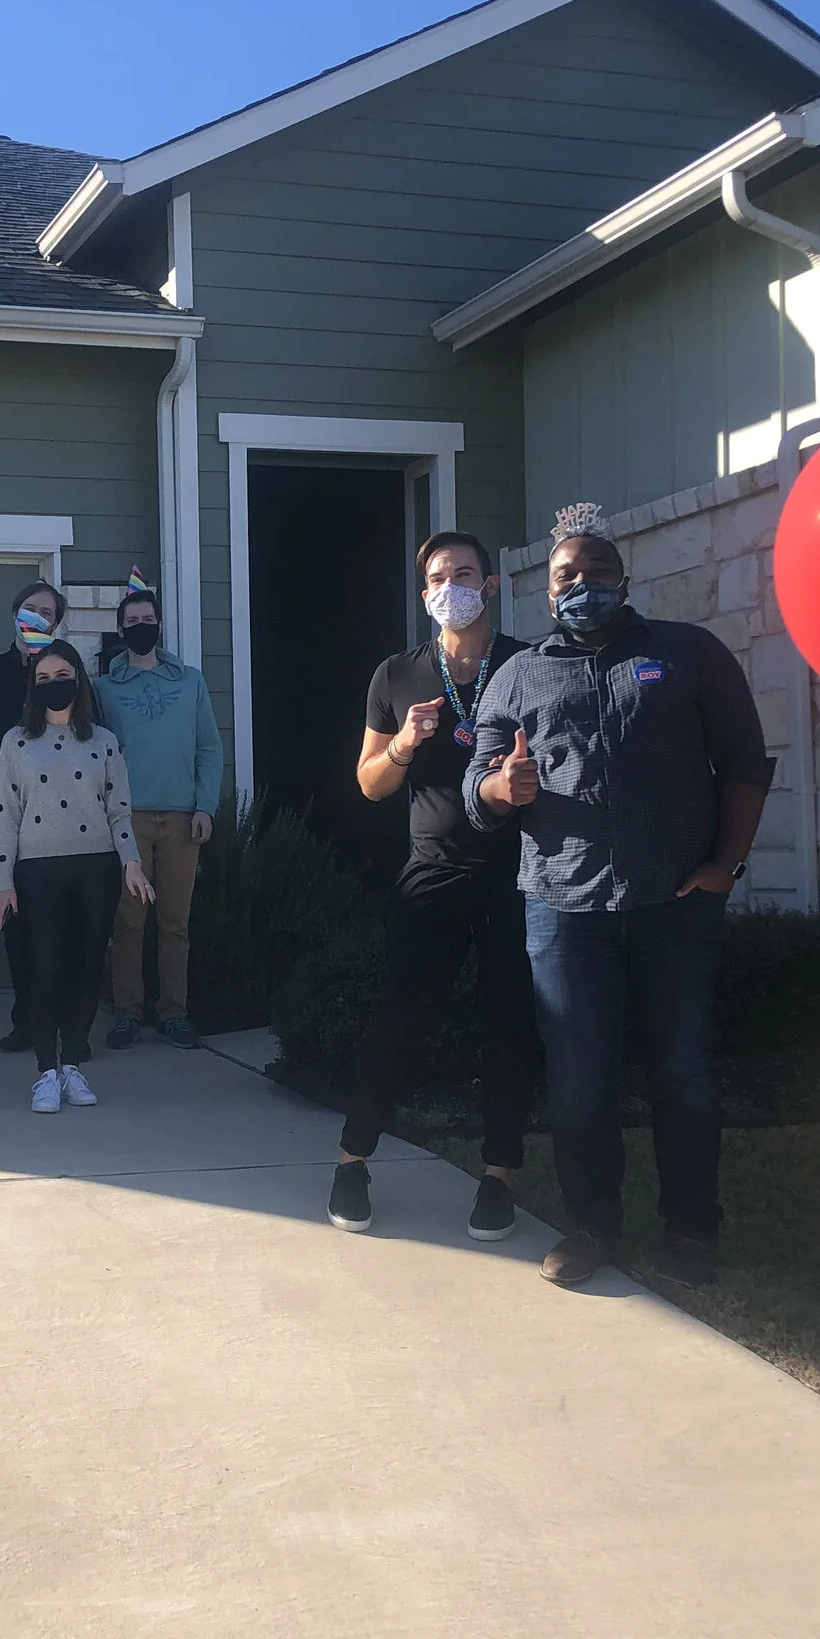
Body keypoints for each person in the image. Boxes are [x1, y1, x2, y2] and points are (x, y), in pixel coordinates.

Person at [467, 502, 773, 1287]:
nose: (583, 584)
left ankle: (692, 1228)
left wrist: (725, 866)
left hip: (674, 902)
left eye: (597, 570)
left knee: (681, 1069)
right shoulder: (517, 673)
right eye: (567, 574)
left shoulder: (687, 653)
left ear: (624, 579)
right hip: (563, 911)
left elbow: (743, 760)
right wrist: (504, 785)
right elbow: (477, 786)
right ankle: (593, 1226)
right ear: (547, 591)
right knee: (579, 1077)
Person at [327, 531, 538, 1243]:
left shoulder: (527, 665)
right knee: (402, 1016)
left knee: (509, 1025)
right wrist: (402, 747)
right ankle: (353, 1161)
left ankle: (498, 1178)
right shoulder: (397, 674)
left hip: (518, 873)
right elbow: (367, 782)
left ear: (492, 583)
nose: (453, 585)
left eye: (466, 572)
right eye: (439, 577)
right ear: (425, 596)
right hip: (432, 869)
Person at [0, 639, 153, 1112]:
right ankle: (45, 1069)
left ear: (78, 681)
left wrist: (132, 862)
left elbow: (119, 811)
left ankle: (73, 1065)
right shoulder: (16, 741)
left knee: (85, 965)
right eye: (42, 679)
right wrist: (4, 882)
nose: (52, 685)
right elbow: (6, 815)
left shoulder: (102, 741)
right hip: (38, 868)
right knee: (46, 967)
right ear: (32, 687)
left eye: (61, 676)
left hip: (94, 865)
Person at [99, 585, 223, 1051]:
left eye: (146, 619)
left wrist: (205, 806)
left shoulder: (189, 681)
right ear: (120, 630)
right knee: (129, 922)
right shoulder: (104, 688)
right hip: (126, 820)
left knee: (175, 922)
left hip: (180, 819)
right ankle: (127, 1012)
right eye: (131, 623)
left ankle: (175, 1013)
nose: (140, 628)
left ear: (159, 623)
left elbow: (209, 747)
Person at [0, 580, 69, 1055]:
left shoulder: (66, 672)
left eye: (47, 612)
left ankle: (66, 1022)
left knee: (61, 925)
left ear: (57, 622)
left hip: (63, 819)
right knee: (17, 924)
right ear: (14, 613)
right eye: (30, 608)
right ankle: (26, 1019)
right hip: (3, 819)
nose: (37, 617)